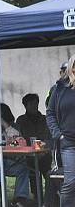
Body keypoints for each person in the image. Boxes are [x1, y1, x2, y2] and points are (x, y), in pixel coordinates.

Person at [46, 54, 75, 206]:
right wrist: (58, 134)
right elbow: (50, 113)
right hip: (68, 143)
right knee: (70, 183)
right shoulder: (59, 88)